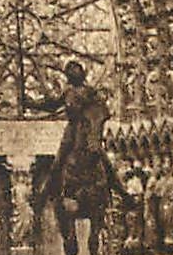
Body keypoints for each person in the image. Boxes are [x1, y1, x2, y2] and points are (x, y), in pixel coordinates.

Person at [27, 60, 122, 214]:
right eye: (71, 72)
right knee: (58, 162)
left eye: (77, 70)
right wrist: (31, 104)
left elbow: (101, 111)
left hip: (88, 129)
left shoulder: (91, 92)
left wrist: (95, 131)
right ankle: (43, 198)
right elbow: (52, 104)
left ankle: (122, 193)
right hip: (72, 131)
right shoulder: (68, 93)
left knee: (104, 160)